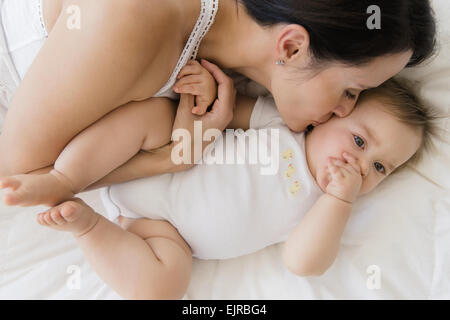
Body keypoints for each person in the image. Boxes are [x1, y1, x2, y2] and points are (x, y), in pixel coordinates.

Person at [0, 63, 438, 299]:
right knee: (155, 117)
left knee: (163, 287)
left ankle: (87, 227)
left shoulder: (323, 208)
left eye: (380, 168)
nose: (360, 165)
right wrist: (209, 96)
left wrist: (339, 203)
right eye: (360, 141)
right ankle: (63, 176)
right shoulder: (282, 126)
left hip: (159, 231)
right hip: (161, 150)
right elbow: (219, 116)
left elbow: (304, 264)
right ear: (331, 117)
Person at [0, 0, 437, 188]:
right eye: (352, 90)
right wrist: (168, 160)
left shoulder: (226, 55)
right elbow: (18, 178)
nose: (346, 110)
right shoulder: (136, 20)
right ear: (291, 46)